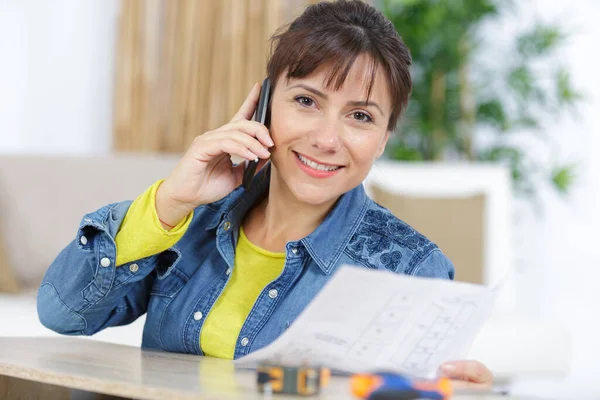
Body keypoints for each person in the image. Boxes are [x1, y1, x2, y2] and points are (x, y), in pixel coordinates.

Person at [37, 0, 492, 390]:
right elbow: (62, 312)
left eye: (359, 116)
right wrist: (171, 201)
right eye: (306, 101)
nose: (327, 139)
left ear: (383, 139)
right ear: (264, 103)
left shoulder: (409, 267)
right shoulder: (192, 220)